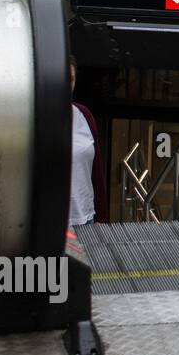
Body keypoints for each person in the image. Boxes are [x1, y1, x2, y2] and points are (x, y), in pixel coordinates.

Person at [69, 57, 106, 228]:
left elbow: (96, 169)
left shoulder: (84, 114)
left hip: (86, 218)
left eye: (71, 79)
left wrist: (102, 217)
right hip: (52, 223)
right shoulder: (38, 115)